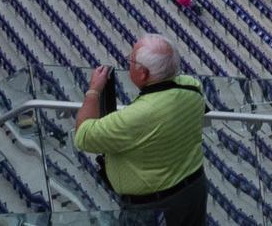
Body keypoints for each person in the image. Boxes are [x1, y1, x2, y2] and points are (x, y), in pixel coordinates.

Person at [74, 36, 208, 225]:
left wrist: (94, 91)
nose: (128, 62)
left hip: (154, 207)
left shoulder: (135, 117)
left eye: (131, 60)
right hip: (193, 188)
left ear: (143, 73)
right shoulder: (191, 86)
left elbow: (83, 136)